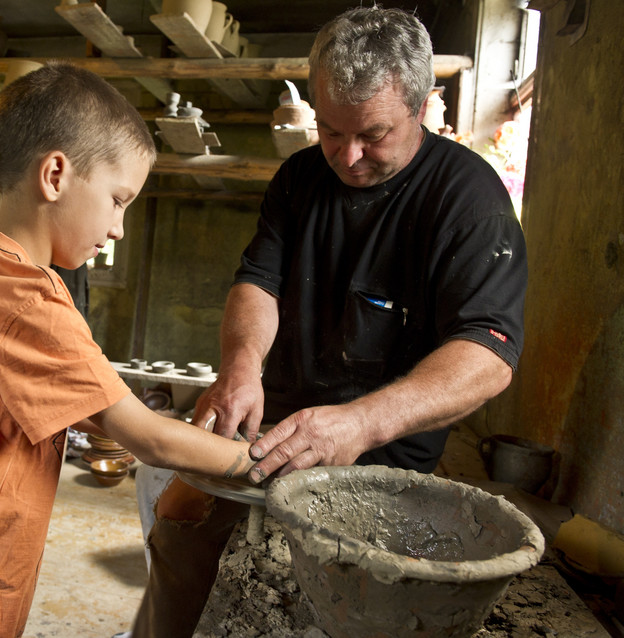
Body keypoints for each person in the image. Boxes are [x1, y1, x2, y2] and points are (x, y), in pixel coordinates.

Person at [129, 6, 528, 637]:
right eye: (329, 129)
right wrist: (239, 371)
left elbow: (488, 353)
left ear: (422, 106)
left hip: (382, 466)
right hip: (271, 434)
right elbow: (259, 283)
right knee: (180, 524)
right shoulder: (300, 178)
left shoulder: (469, 201)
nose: (346, 154)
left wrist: (362, 422)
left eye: (372, 134)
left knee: (304, 604)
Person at [0, 63, 257, 638]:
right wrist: (263, 467)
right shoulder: (25, 300)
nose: (119, 229)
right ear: (55, 174)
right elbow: (148, 437)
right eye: (117, 199)